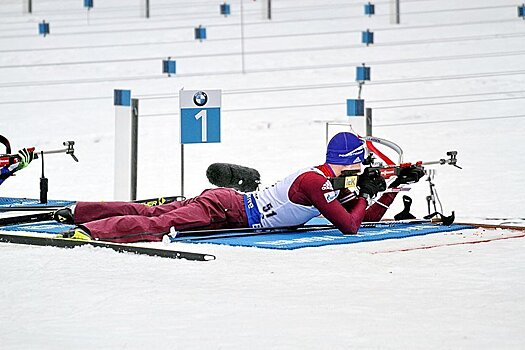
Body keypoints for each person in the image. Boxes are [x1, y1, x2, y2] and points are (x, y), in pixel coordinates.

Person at [55, 132, 424, 242]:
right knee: (157, 223)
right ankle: (87, 230)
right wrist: (366, 191)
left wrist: (390, 189)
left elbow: (368, 217)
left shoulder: (330, 181)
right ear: (353, 160)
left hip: (229, 205)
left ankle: (80, 210)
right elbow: (349, 226)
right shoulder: (316, 182)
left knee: (154, 212)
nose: (366, 168)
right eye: (364, 162)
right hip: (225, 208)